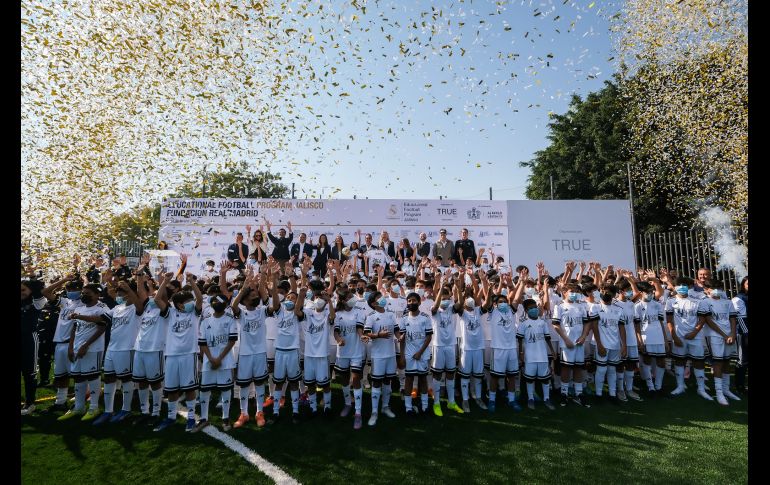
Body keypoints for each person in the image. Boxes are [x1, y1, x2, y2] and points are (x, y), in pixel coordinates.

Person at [151, 273, 203, 431]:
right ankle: (171, 417)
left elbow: (199, 299)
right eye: (187, 301)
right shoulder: (170, 313)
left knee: (189, 389)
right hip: (172, 355)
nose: (190, 303)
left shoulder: (194, 313)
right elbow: (157, 300)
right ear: (179, 304)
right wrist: (165, 282)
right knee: (172, 389)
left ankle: (192, 418)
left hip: (189, 354)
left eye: (190, 300)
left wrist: (192, 282)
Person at [90, 280, 144, 426]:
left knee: (126, 380)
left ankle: (126, 410)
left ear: (129, 294)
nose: (119, 295)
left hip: (127, 349)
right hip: (112, 349)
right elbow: (101, 319)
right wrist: (78, 316)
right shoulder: (117, 308)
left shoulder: (136, 308)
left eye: (122, 292)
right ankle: (108, 411)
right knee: (108, 379)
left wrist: (130, 288)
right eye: (118, 292)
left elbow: (140, 305)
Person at [57, 283, 112, 422]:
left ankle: (94, 408)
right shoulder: (80, 307)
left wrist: (86, 345)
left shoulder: (102, 308)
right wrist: (71, 347)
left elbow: (101, 327)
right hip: (76, 348)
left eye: (88, 293)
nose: (84, 295)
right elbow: (75, 328)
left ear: (97, 294)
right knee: (78, 377)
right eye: (84, 292)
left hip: (93, 349)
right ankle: (79, 407)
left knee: (92, 376)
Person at [266, 260, 309, 425]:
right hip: (280, 351)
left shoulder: (297, 313)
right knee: (278, 383)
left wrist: (301, 277)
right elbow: (276, 297)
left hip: (292, 352)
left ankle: (296, 412)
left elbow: (300, 295)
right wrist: (274, 277)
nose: (290, 299)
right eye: (289, 297)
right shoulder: (279, 311)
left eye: (293, 298)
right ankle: (276, 412)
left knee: (293, 383)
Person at [231, 272, 270, 428]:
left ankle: (259, 412)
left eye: (256, 294)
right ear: (245, 299)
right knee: (244, 385)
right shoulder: (242, 313)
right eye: (252, 294)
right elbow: (233, 306)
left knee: (260, 383)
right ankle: (244, 413)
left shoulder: (262, 311)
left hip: (260, 352)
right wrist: (243, 289)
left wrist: (264, 280)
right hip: (245, 354)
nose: (255, 296)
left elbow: (272, 304)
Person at [42, 274, 84, 415]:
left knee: (77, 376)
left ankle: (79, 404)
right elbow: (46, 292)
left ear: (81, 289)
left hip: (72, 343)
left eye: (74, 288)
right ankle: (60, 402)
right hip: (59, 342)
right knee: (61, 376)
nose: (71, 290)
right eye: (69, 288)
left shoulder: (84, 304)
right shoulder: (65, 301)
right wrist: (64, 280)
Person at [195, 293, 238, 432]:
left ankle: (225, 418)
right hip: (209, 361)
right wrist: (210, 358)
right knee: (205, 389)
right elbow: (202, 342)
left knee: (225, 389)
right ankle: (203, 418)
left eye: (219, 301)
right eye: (214, 301)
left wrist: (219, 358)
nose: (217, 303)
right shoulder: (206, 320)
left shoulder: (230, 319)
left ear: (225, 305)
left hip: (225, 361)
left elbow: (232, 340)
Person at [666, 276, 712, 400]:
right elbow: (669, 320)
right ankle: (680, 386)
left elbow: (703, 319)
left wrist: (695, 332)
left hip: (695, 337)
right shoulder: (670, 301)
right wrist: (674, 336)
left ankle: (701, 389)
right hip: (679, 337)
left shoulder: (698, 301)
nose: (682, 287)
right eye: (679, 285)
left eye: (684, 285)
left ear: (689, 287)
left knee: (698, 361)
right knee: (679, 361)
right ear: (675, 287)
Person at [552, 283, 594, 407]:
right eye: (571, 291)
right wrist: (566, 340)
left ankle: (578, 393)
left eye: (576, 291)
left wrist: (583, 336)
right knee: (566, 367)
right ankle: (564, 393)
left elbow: (587, 323)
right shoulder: (559, 306)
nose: (574, 293)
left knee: (578, 367)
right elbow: (556, 324)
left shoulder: (581, 306)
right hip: (567, 344)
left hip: (579, 343)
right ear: (564, 292)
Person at [364, 291, 402, 427]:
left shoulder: (391, 314)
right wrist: (379, 335)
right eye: (378, 298)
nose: (382, 299)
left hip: (390, 354)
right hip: (377, 355)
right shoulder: (371, 317)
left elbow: (397, 330)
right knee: (376, 383)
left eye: (381, 297)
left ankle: (385, 407)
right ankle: (374, 412)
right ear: (373, 303)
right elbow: (366, 333)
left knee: (388, 381)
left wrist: (399, 337)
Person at [429, 275, 464, 416]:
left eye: (447, 298)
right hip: (438, 346)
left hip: (450, 345)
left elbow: (460, 303)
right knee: (437, 375)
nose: (445, 301)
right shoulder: (435, 310)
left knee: (451, 374)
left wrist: (458, 286)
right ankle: (436, 403)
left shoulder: (451, 308)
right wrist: (441, 287)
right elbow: (436, 305)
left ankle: (451, 402)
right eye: (442, 298)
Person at [701, 279, 740, 405]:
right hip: (714, 336)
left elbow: (733, 319)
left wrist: (732, 334)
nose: (715, 290)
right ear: (706, 289)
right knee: (717, 363)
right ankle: (719, 393)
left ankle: (726, 389)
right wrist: (724, 335)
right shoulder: (705, 302)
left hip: (729, 336)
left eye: (718, 287)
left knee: (727, 361)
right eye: (712, 288)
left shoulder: (728, 302)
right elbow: (709, 321)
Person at [517, 298, 556, 410]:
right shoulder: (523, 324)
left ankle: (547, 398)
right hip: (530, 356)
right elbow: (519, 339)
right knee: (530, 379)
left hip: (542, 355)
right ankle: (530, 398)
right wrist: (521, 352)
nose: (534, 310)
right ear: (526, 310)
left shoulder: (542, 323)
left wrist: (552, 351)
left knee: (544, 378)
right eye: (531, 308)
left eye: (535, 307)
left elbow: (548, 338)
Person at [398, 292, 433, 419]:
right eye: (409, 301)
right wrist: (402, 356)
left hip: (422, 354)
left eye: (413, 300)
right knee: (409, 380)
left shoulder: (425, 317)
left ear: (419, 302)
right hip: (409, 355)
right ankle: (408, 408)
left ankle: (424, 406)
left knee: (423, 379)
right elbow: (402, 339)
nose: (411, 303)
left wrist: (420, 352)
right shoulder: (404, 319)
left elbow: (429, 337)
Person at [591, 284, 628, 405]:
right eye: (603, 291)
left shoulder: (619, 309)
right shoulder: (595, 307)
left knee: (612, 370)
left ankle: (612, 394)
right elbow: (594, 327)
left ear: (613, 294)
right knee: (601, 370)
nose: (605, 293)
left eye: (608, 292)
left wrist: (624, 345)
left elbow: (622, 328)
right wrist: (599, 344)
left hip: (615, 345)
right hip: (602, 344)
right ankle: (598, 395)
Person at [333, 290, 366, 426]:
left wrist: (361, 335)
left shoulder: (359, 312)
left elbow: (359, 328)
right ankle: (347, 404)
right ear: (342, 300)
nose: (352, 299)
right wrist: (339, 339)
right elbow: (336, 332)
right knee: (344, 379)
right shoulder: (337, 314)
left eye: (352, 296)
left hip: (357, 351)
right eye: (348, 297)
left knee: (356, 378)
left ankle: (358, 412)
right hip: (343, 352)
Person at [633, 282, 668, 397]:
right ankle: (650, 387)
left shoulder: (657, 305)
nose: (650, 294)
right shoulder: (637, 306)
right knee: (647, 361)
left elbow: (661, 323)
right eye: (647, 292)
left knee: (661, 362)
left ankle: (658, 387)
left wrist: (665, 339)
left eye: (651, 292)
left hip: (658, 337)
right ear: (641, 293)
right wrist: (640, 341)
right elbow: (636, 326)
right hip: (646, 337)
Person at [21, 279, 47, 415]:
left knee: (29, 372)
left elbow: (40, 291)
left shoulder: (37, 302)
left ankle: (30, 403)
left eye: (24, 290)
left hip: (29, 340)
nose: (21, 293)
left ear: (31, 290)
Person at [732, 276, 748, 394]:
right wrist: (746, 334)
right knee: (742, 360)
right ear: (743, 285)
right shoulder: (738, 299)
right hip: (744, 334)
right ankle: (739, 386)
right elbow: (739, 318)